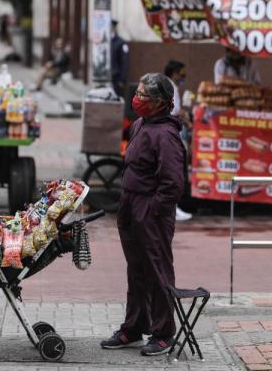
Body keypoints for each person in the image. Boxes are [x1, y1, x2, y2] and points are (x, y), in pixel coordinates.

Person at [100, 73, 185, 356]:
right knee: (136, 270)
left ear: (160, 102)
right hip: (130, 206)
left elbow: (173, 183)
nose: (137, 99)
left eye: (143, 95)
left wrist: (153, 209)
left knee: (157, 270)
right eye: (136, 92)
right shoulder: (139, 125)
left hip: (150, 211)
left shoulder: (167, 135)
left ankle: (163, 333)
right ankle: (133, 327)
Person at [163, 60, 194, 222]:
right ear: (174, 73)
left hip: (170, 133)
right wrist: (184, 115)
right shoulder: (170, 87)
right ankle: (172, 209)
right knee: (173, 173)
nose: (183, 77)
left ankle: (173, 208)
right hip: (171, 134)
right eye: (182, 73)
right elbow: (174, 111)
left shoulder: (170, 86)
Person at [111, 20, 129, 99]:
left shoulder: (120, 43)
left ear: (114, 28)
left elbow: (125, 62)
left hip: (116, 78)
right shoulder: (105, 42)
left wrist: (122, 79)